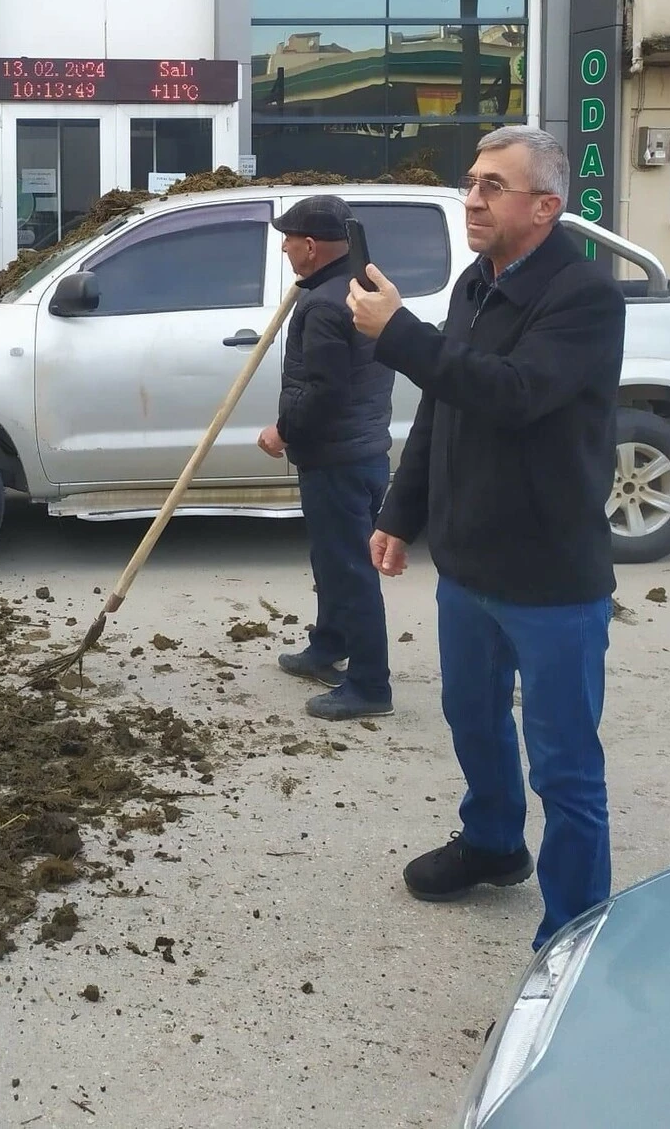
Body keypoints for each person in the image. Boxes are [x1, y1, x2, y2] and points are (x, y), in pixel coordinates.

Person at [347, 128, 626, 949]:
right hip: (468, 567)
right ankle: (495, 842)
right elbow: (444, 402)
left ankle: (572, 934)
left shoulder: (584, 298)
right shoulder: (477, 283)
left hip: (551, 578)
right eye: (471, 182)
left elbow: (514, 392)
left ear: (545, 206)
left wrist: (398, 332)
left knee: (564, 765)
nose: (471, 198)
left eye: (493, 186)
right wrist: (400, 511)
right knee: (472, 717)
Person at [258, 195, 396, 722]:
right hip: (363, 451)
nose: (286, 248)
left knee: (350, 569)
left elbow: (325, 390)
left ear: (311, 246)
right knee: (333, 560)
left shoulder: (323, 305)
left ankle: (370, 686)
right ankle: (327, 646)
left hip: (337, 458)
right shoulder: (364, 289)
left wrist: (282, 432)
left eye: (289, 240)